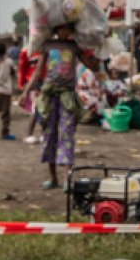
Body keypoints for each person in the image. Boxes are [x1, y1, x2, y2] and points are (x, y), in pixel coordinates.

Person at [27, 23, 100, 190]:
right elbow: (39, 70)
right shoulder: (48, 45)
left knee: (67, 135)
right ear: (56, 29)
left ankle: (68, 178)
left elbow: (91, 65)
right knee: (49, 135)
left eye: (67, 29)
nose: (64, 32)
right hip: (49, 94)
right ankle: (53, 178)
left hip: (67, 95)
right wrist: (27, 90)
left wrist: (99, 47)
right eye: (61, 29)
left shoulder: (74, 47)